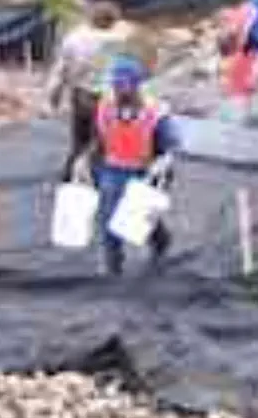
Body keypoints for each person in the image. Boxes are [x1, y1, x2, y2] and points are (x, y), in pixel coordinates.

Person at [72, 55, 178, 276]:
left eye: (123, 84)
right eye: (115, 84)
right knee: (109, 219)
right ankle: (113, 267)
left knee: (137, 216)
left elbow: (170, 146)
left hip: (146, 171)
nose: (118, 89)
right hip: (113, 169)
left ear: (136, 84)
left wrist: (163, 162)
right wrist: (83, 160)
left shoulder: (155, 111)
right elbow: (99, 138)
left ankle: (160, 240)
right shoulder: (106, 107)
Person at [45, 0, 130, 181]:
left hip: (81, 95)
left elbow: (60, 72)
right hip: (108, 98)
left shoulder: (74, 39)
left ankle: (68, 178)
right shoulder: (121, 42)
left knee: (79, 141)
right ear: (113, 21)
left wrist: (53, 98)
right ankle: (96, 183)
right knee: (102, 144)